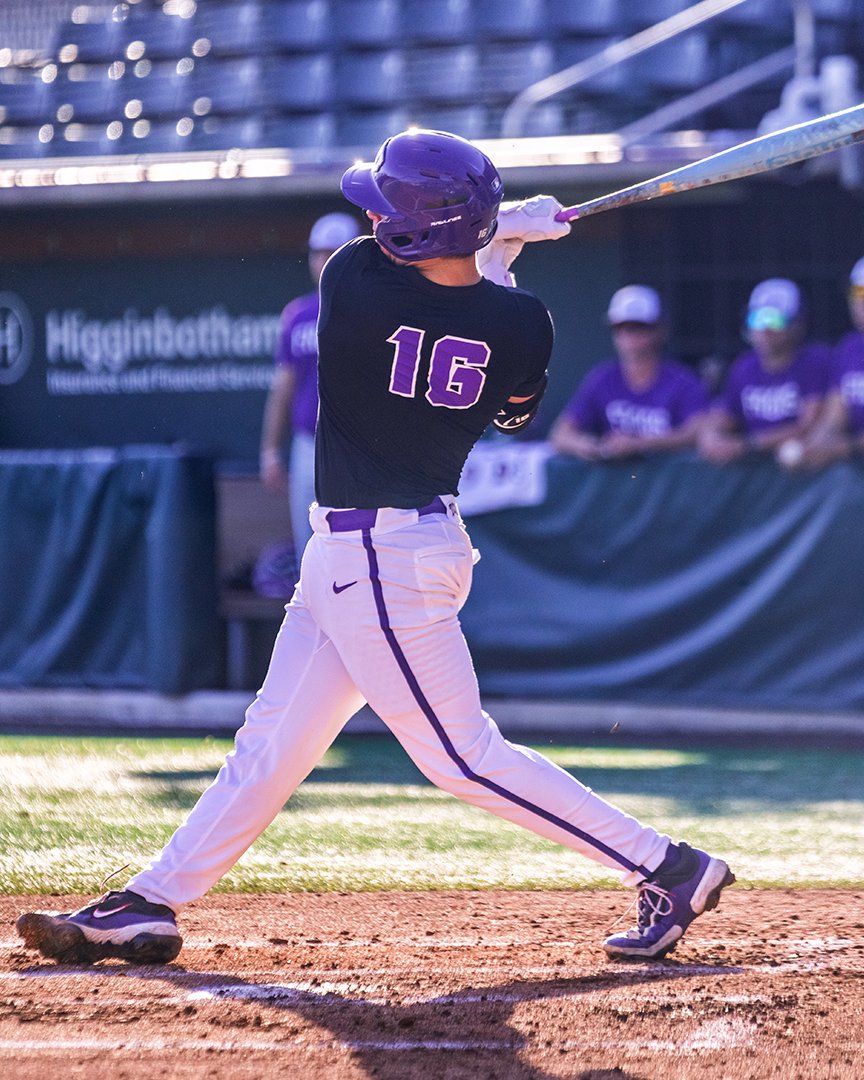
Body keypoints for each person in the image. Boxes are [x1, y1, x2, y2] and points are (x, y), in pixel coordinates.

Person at [16, 130, 734, 967]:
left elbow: (432, 300)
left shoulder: (350, 281)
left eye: (389, 206)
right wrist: (501, 250)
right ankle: (153, 901)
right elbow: (504, 397)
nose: (373, 214)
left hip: (382, 563)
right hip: (371, 554)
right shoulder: (526, 325)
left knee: (464, 757)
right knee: (273, 739)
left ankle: (667, 866)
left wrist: (503, 240)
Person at [260, 212, 363, 554]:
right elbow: (283, 388)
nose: (321, 261)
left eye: (331, 252)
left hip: (358, 444)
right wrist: (271, 449)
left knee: (355, 544)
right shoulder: (299, 313)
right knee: (310, 546)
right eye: (317, 253)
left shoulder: (374, 307)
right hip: (309, 442)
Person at [550, 285, 710, 460]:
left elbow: (698, 432)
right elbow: (560, 434)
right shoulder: (603, 378)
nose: (629, 336)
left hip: (669, 484)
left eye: (639, 327)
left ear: (659, 330)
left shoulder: (683, 381)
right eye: (621, 328)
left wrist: (639, 444)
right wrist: (590, 446)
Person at [698, 278, 833, 466]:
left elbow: (808, 425)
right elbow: (724, 417)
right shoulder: (744, 366)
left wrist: (747, 445)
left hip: (802, 472)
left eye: (776, 320)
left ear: (798, 325)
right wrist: (711, 435)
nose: (765, 329)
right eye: (758, 319)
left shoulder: (816, 361)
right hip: (755, 475)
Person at [784, 256, 864, 469]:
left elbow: (843, 446)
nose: (862, 301)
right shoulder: (850, 348)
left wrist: (844, 447)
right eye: (858, 292)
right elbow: (836, 416)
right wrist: (817, 442)